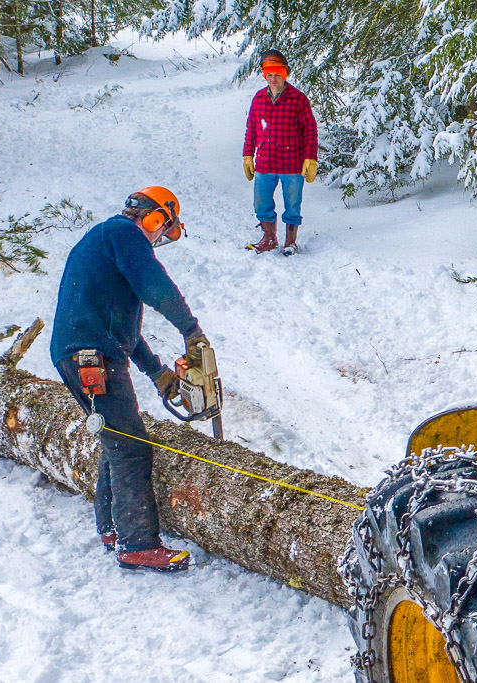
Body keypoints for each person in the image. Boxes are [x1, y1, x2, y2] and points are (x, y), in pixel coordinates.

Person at [51, 186, 210, 572]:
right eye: (162, 229)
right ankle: (138, 543)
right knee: (132, 447)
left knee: (116, 439)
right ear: (155, 218)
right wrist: (190, 330)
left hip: (81, 351)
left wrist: (157, 372)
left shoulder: (105, 240)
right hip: (91, 356)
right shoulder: (125, 234)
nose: (158, 239)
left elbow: (124, 330)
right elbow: (154, 286)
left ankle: (111, 527)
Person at [242, 49, 318, 255]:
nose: (273, 79)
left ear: (285, 75)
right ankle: (269, 238)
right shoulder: (258, 99)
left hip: (292, 163)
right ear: (264, 75)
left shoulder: (298, 99)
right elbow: (251, 129)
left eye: (277, 75)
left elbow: (310, 130)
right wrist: (248, 155)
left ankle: (290, 242)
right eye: (269, 75)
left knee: (292, 204)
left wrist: (310, 158)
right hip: (265, 162)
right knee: (261, 203)